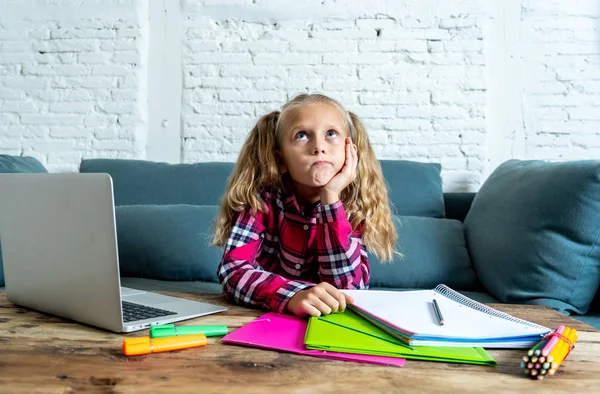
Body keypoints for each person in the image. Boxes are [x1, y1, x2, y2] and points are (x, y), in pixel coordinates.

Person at [213, 93, 397, 317]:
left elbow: (349, 290)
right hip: (271, 318)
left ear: (351, 149)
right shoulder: (262, 201)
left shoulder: (352, 206)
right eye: (301, 136)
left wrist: (330, 198)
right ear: (281, 158)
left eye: (331, 134)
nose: (319, 147)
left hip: (331, 324)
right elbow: (233, 271)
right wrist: (292, 295)